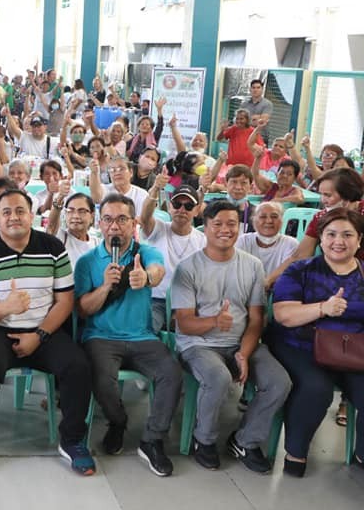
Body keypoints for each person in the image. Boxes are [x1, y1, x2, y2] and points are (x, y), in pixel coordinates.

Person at [0, 189, 95, 477]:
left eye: (20, 210)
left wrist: (40, 336)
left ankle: (72, 439)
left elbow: (65, 301)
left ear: (31, 214)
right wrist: (5, 307)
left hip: (44, 328)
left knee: (78, 366)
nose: (13, 217)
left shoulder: (52, 247)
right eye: (6, 212)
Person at [171, 200, 291, 473]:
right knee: (218, 377)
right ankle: (204, 440)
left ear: (241, 227)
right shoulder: (188, 268)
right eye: (218, 224)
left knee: (279, 382)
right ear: (206, 227)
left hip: (241, 341)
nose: (225, 230)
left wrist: (244, 354)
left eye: (232, 224)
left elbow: (256, 318)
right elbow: (185, 324)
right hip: (198, 345)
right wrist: (214, 321)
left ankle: (244, 440)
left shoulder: (252, 266)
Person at [75, 194, 183, 477]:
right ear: (100, 224)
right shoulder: (87, 262)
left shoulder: (144, 253)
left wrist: (145, 278)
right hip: (100, 337)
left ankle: (152, 440)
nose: (115, 226)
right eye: (108, 219)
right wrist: (105, 287)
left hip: (142, 337)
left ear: (133, 223)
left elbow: (157, 271)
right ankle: (118, 421)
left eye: (122, 219)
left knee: (171, 373)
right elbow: (83, 310)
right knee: (101, 378)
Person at [269, 207, 364, 476]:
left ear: (359, 240)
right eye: (331, 234)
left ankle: (362, 454)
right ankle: (295, 454)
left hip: (355, 349)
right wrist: (323, 308)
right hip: (301, 345)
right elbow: (283, 315)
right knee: (316, 388)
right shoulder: (301, 270)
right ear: (320, 237)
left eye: (348, 235)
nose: (339, 241)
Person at [266, 168, 364, 287]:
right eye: (321, 194)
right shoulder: (321, 218)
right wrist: (268, 280)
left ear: (347, 195)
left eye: (328, 195)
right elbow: (300, 255)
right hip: (332, 275)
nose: (323, 200)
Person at [139, 181, 207, 332]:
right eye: (177, 204)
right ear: (170, 207)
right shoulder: (159, 228)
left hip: (187, 304)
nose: (181, 209)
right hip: (155, 300)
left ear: (196, 211)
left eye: (188, 206)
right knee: (145, 332)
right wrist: (155, 188)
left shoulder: (202, 240)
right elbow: (144, 218)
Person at [235, 201, 299, 280]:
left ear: (282, 221)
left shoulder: (291, 244)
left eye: (274, 216)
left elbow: (288, 276)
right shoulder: (243, 241)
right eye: (263, 217)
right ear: (254, 221)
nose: (269, 221)